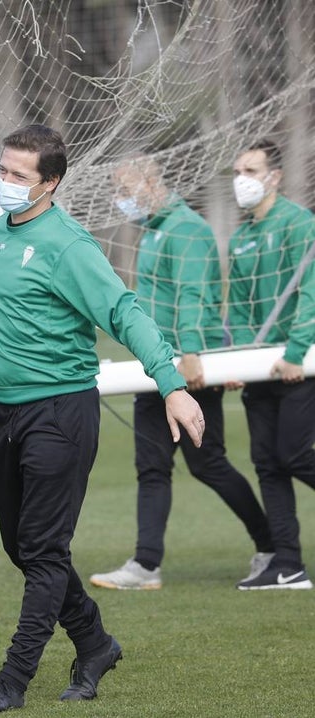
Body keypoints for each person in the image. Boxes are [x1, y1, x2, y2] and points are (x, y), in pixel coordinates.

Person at [0, 125, 205, 712]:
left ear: (51, 183)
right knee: (21, 546)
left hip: (62, 414)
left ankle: (13, 680)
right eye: (5, 170)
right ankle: (94, 643)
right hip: (8, 412)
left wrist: (171, 385)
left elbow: (125, 312)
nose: (7, 183)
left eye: (20, 175)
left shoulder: (70, 245)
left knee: (42, 549)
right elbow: (21, 325)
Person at [89, 156, 274, 591]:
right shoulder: (153, 231)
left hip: (187, 366)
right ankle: (145, 565)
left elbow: (194, 295)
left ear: (151, 181)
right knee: (151, 468)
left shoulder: (187, 230)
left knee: (208, 463)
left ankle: (272, 545)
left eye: (125, 189)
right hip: (154, 365)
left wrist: (190, 352)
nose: (121, 200)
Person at [227, 139, 315, 591]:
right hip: (260, 368)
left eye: (252, 170)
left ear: (274, 177)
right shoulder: (241, 237)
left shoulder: (300, 225)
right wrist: (241, 359)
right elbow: (239, 310)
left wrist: (297, 352)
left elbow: (311, 295)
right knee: (267, 463)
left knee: (295, 453)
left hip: (298, 364)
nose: (242, 179)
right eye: (237, 170)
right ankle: (288, 565)